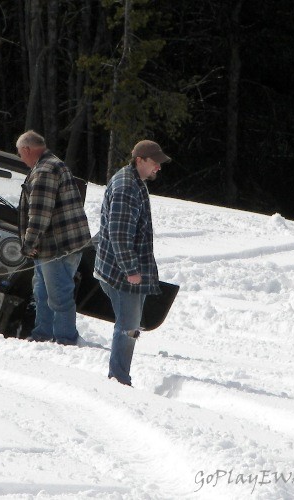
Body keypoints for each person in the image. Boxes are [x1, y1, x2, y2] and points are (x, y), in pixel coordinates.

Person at [94, 139, 171, 386]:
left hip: (119, 269)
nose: (158, 167)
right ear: (140, 160)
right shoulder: (127, 187)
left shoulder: (133, 181)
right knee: (128, 328)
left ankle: (119, 377)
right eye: (155, 162)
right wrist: (131, 270)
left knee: (130, 325)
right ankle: (118, 380)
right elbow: (119, 234)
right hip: (121, 273)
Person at [16, 130, 92, 345]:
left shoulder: (45, 171)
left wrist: (28, 243)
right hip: (50, 247)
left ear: (27, 149)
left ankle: (65, 339)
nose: (21, 159)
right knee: (41, 291)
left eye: (20, 154)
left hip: (58, 247)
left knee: (59, 295)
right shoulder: (50, 165)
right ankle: (43, 334)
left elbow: (39, 214)